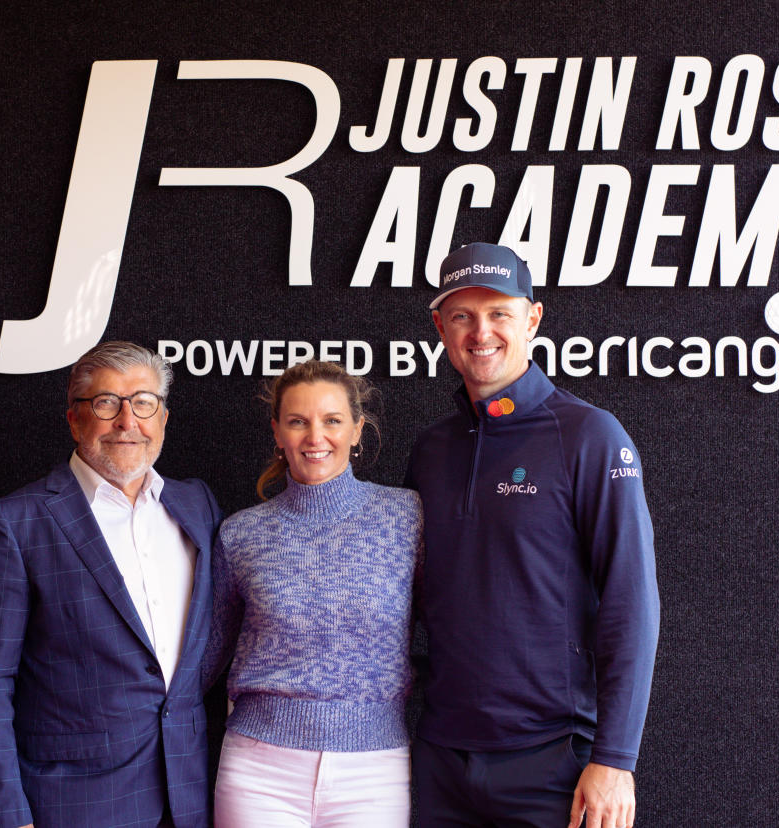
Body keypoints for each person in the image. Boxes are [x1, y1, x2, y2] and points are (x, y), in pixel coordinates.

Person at [406, 243, 661, 828]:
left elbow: (632, 602)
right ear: (441, 327)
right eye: (463, 315)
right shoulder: (431, 449)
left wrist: (615, 760)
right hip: (441, 757)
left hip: (553, 763)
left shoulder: (590, 436)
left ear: (532, 318)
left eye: (498, 312)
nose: (481, 332)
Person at [0, 341, 222, 828]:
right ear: (74, 419)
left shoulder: (197, 506)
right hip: (73, 805)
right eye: (106, 404)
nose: (127, 422)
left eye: (143, 403)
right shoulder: (14, 524)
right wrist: (9, 817)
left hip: (190, 797)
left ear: (163, 418)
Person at [203, 360, 423, 827]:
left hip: (374, 769)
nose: (314, 436)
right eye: (298, 421)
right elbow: (204, 659)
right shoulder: (241, 534)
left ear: (357, 430)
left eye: (332, 420)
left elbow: (454, 626)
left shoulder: (406, 518)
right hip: (257, 771)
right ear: (277, 432)